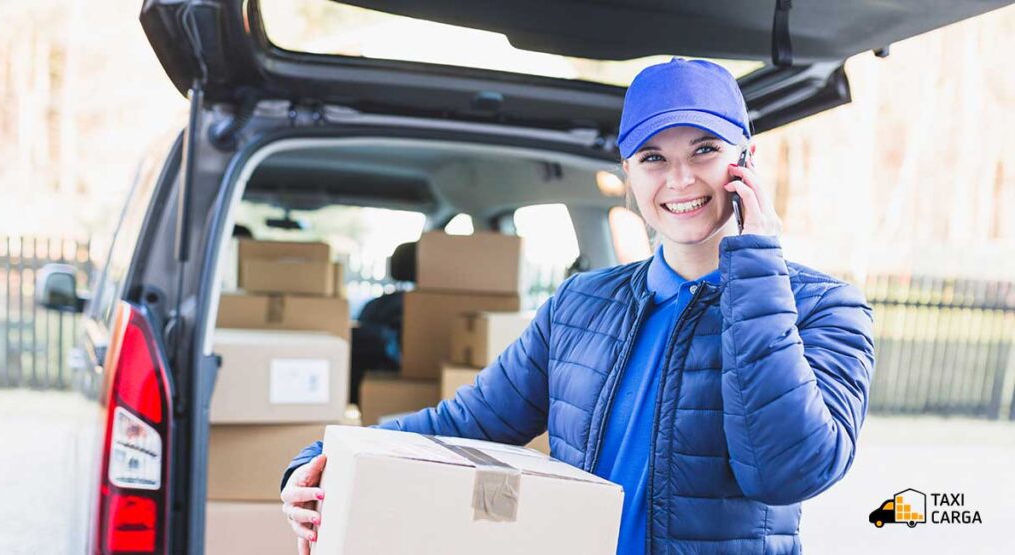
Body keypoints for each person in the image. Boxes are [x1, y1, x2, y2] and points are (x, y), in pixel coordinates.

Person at [278, 58, 876, 555]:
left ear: (746, 160)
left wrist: (757, 269)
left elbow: (786, 473)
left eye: (704, 150)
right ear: (628, 173)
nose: (681, 180)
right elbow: (462, 425)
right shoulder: (579, 305)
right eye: (654, 158)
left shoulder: (822, 309)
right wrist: (329, 456)